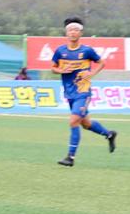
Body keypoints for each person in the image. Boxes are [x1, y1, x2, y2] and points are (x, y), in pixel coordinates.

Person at [50, 18, 117, 167]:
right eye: (70, 30)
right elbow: (53, 67)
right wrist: (60, 70)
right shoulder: (61, 51)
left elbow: (101, 63)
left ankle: (70, 157)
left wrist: (91, 73)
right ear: (66, 33)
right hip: (69, 92)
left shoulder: (87, 50)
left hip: (83, 91)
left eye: (76, 30)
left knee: (73, 121)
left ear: (81, 33)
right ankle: (109, 134)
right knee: (86, 124)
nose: (72, 32)